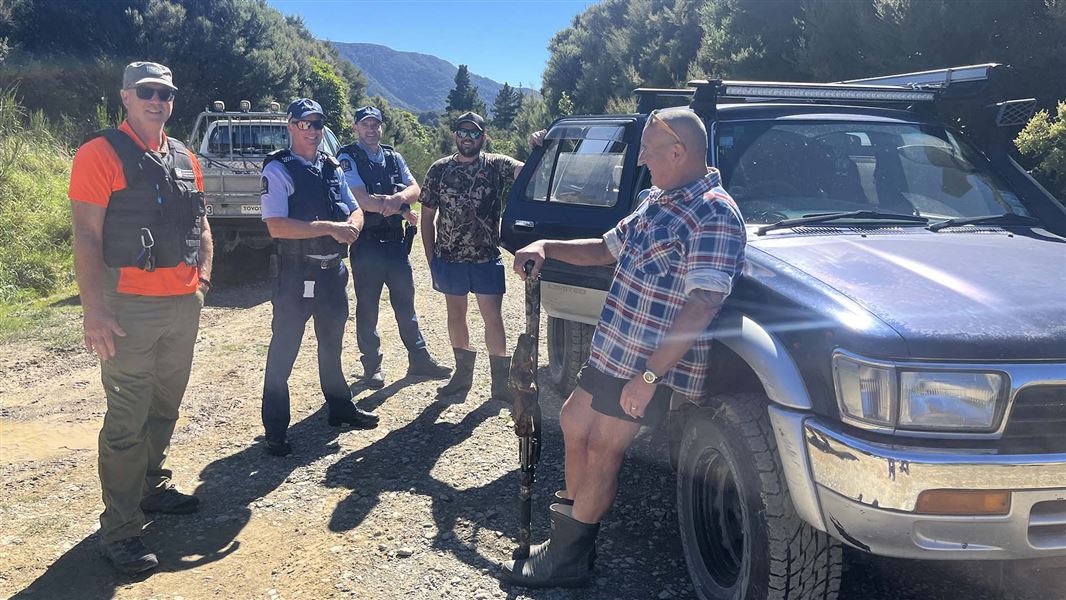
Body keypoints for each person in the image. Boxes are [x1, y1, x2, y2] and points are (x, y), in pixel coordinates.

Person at [503, 108, 747, 587]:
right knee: (574, 423)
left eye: (650, 149)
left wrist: (650, 378)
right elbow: (605, 248)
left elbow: (701, 306)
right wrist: (548, 246)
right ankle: (568, 537)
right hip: (613, 350)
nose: (642, 157)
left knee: (603, 448)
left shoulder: (714, 212)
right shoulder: (658, 199)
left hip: (646, 364)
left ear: (678, 152)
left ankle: (569, 560)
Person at [68, 61, 213, 574]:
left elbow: (200, 220)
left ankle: (151, 487)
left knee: (165, 406)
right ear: (126, 96)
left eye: (166, 93)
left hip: (182, 303)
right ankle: (121, 530)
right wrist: (95, 310)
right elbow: (86, 233)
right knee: (127, 420)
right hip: (128, 308)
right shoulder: (100, 152)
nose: (158, 100)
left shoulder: (183, 156)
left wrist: (204, 280)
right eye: (148, 92)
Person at [259, 98, 378, 458]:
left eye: (318, 123)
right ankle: (275, 430)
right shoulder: (278, 169)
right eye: (305, 123)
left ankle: (340, 408)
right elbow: (276, 226)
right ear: (291, 126)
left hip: (332, 274)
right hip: (297, 275)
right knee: (284, 351)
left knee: (332, 345)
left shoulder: (330, 166)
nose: (312, 130)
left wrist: (353, 226)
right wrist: (330, 227)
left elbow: (354, 208)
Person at [337, 106, 450, 389]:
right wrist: (399, 207)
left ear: (382, 127)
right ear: (356, 127)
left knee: (405, 303)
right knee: (368, 308)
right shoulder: (348, 156)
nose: (371, 129)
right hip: (367, 245)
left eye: (376, 124)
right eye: (365, 124)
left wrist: (395, 199)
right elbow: (360, 199)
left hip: (396, 245)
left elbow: (417, 190)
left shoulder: (393, 156)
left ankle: (419, 359)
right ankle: (371, 366)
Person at [419, 111, 525, 403]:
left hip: (486, 258)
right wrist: (431, 258)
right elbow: (426, 217)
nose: (467, 138)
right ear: (455, 136)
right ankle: (462, 376)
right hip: (449, 259)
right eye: (462, 133)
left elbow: (527, 171)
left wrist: (538, 143)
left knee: (493, 317)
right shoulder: (439, 170)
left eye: (473, 133)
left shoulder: (495, 165)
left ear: (483, 136)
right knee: (456, 315)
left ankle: (500, 384)